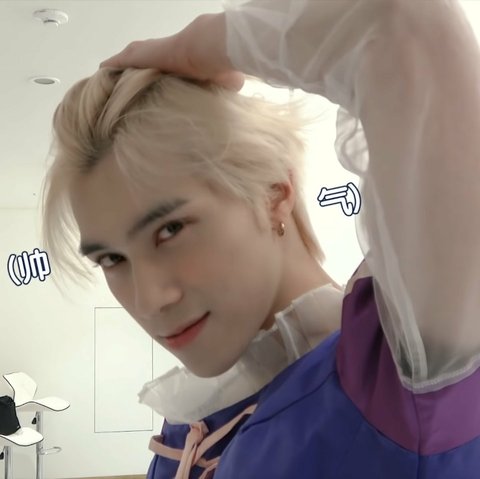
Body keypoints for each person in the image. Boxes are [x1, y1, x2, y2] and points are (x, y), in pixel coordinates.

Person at [42, 0, 480, 477]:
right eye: (111, 259)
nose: (147, 300)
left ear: (274, 191)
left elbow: (404, 24)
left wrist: (202, 47)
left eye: (170, 230)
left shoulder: (407, 374)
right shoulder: (191, 424)